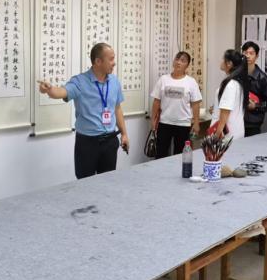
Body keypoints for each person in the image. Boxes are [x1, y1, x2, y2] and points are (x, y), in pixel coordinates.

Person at [39, 43, 129, 179]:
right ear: (98, 61)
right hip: (87, 143)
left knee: (108, 182)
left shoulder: (114, 81)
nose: (114, 63)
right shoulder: (80, 82)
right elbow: (61, 92)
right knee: (84, 183)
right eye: (111, 59)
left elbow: (117, 108)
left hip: (110, 141)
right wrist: (49, 90)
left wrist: (124, 134)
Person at [150, 51, 202, 158]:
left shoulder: (191, 82)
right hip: (165, 122)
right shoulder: (163, 79)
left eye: (182, 60)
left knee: (180, 155)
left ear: (187, 65)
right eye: (177, 59)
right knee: (161, 153)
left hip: (183, 124)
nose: (178, 62)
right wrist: (153, 120)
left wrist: (196, 123)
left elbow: (196, 104)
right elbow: (156, 101)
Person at [213, 49, 249, 139]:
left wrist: (218, 132)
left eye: (223, 59)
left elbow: (226, 110)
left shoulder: (231, 85)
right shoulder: (238, 82)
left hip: (227, 134)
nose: (221, 62)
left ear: (229, 63)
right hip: (236, 130)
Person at [241, 41, 267, 137]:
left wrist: (255, 106)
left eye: (251, 53)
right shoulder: (237, 75)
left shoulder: (263, 79)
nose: (248, 56)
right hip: (236, 121)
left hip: (252, 124)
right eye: (245, 53)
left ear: (257, 56)